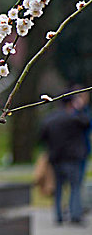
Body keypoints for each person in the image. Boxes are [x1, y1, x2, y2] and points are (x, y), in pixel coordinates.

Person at [40, 96, 90, 224]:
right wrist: (80, 108)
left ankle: (58, 215)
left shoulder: (50, 119)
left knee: (58, 188)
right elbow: (87, 123)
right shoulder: (75, 118)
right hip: (73, 158)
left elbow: (41, 136)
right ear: (71, 103)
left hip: (56, 158)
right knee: (75, 187)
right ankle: (75, 215)